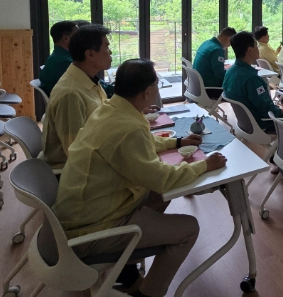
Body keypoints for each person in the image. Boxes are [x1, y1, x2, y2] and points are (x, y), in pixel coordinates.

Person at [53, 59, 226, 297]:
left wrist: (177, 142)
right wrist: (204, 165)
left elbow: (142, 145)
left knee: (158, 195)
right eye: (157, 84)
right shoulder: (129, 128)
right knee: (188, 228)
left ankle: (127, 273)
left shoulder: (109, 109)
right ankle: (149, 293)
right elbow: (162, 179)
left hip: (83, 213)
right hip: (91, 231)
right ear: (147, 93)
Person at [223, 31, 283, 172]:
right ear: (250, 50)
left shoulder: (230, 72)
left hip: (245, 123)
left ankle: (279, 157)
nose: (258, 48)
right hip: (262, 122)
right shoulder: (251, 79)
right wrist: (280, 111)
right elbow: (265, 109)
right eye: (256, 46)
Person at [39, 24, 113, 169]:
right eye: (106, 47)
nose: (110, 52)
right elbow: (76, 152)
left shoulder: (86, 78)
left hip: (96, 151)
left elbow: (103, 112)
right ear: (90, 54)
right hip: (69, 170)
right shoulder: (71, 94)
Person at [192, 27, 236, 98]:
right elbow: (220, 74)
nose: (229, 46)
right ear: (228, 39)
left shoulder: (206, 43)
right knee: (238, 88)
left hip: (197, 86)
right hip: (209, 89)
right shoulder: (217, 50)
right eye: (230, 43)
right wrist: (233, 71)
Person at [39, 20, 78, 96]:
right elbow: (86, 83)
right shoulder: (63, 61)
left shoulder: (59, 56)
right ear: (66, 38)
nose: (81, 38)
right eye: (77, 35)